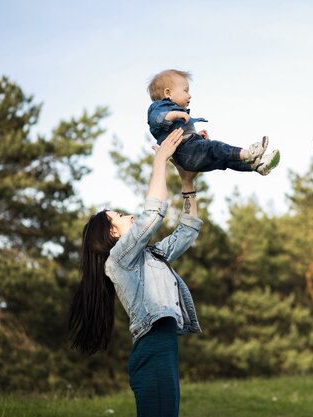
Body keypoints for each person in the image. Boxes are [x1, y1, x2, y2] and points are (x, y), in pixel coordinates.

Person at [69, 128, 202, 417]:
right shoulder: (118, 260)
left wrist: (187, 181)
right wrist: (160, 162)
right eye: (118, 217)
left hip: (163, 349)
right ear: (109, 235)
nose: (128, 216)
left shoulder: (149, 256)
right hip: (153, 350)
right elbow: (152, 214)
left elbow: (187, 230)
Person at [147, 69, 280, 176]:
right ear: (168, 93)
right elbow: (156, 119)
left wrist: (197, 136)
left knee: (223, 159)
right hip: (186, 152)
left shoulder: (176, 111)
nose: (190, 95)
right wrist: (176, 114)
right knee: (216, 147)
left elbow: (183, 135)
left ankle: (257, 166)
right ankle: (248, 153)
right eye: (185, 90)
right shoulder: (160, 106)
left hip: (189, 152)